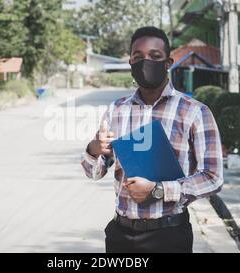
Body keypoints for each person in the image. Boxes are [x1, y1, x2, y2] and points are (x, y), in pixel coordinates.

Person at [80, 26, 224, 253]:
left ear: (168, 62)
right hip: (121, 236)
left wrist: (159, 190)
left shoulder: (195, 112)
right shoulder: (116, 110)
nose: (146, 62)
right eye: (138, 57)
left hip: (169, 236)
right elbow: (95, 172)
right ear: (130, 63)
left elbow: (213, 178)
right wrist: (94, 148)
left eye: (155, 56)